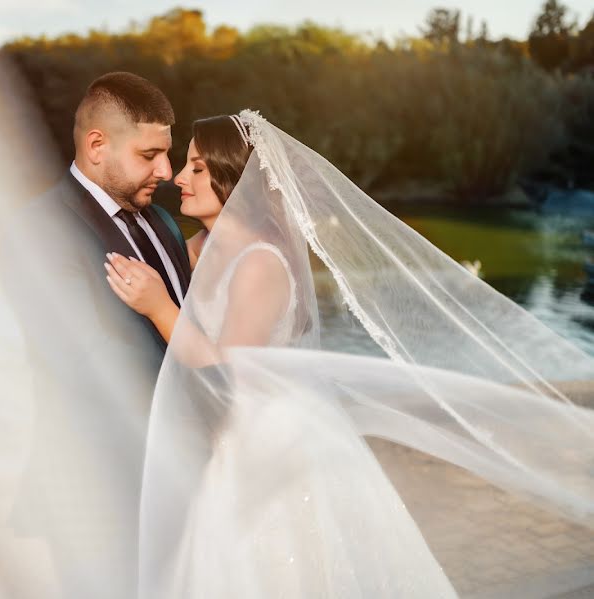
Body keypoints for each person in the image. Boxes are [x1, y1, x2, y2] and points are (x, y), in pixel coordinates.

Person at [106, 110, 594, 597]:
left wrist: (159, 308)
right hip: (229, 437)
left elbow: (227, 371)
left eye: (197, 167)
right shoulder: (198, 247)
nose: (180, 177)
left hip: (267, 444)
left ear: (233, 178)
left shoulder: (260, 262)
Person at [0, 72, 191, 598]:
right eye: (150, 155)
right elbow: (86, 360)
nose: (167, 171)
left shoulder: (164, 224)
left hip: (178, 483)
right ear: (97, 145)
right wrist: (210, 387)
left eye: (167, 155)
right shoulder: (39, 230)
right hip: (97, 491)